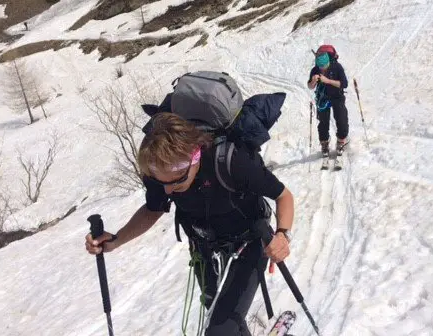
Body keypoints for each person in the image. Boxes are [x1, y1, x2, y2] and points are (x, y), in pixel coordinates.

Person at [85, 112, 295, 335]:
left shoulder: (232, 161)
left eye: (176, 181)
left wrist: (282, 234)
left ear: (195, 157)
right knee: (218, 312)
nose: (167, 190)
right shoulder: (162, 169)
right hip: (204, 248)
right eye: (160, 182)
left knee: (219, 329)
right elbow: (153, 209)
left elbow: (284, 196)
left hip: (250, 242)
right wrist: (116, 240)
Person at [307, 50, 349, 156]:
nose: (322, 69)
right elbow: (310, 86)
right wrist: (313, 81)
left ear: (328, 62)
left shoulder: (337, 67)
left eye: (324, 66)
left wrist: (328, 81)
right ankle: (324, 143)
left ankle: (341, 141)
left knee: (342, 119)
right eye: (320, 66)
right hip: (323, 98)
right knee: (323, 123)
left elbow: (344, 84)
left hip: (337, 96)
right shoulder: (315, 69)